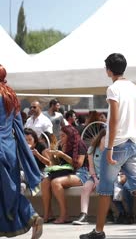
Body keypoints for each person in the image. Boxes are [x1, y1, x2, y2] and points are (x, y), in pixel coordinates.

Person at [80, 53, 136, 239]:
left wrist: (109, 147)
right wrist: (133, 135)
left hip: (117, 145)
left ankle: (99, 232)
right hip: (133, 143)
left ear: (108, 69)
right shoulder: (134, 88)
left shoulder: (113, 88)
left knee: (104, 189)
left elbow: (114, 118)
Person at [0, 64, 43, 239]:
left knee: (5, 192)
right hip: (9, 150)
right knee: (8, 191)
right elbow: (18, 127)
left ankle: (31, 217)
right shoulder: (11, 96)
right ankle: (32, 217)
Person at [41, 125, 89, 224]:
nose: (60, 138)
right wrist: (51, 156)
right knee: (45, 182)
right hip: (65, 172)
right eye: (60, 136)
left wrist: (63, 155)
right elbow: (56, 165)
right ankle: (47, 214)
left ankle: (64, 215)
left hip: (80, 173)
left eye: (63, 136)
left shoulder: (80, 144)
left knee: (56, 182)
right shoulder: (61, 145)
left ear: (70, 136)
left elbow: (79, 164)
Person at [73, 129, 106, 225]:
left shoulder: (111, 150)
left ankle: (108, 212)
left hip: (107, 176)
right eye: (105, 138)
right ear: (101, 137)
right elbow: (91, 167)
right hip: (95, 175)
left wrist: (101, 179)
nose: (107, 140)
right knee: (86, 188)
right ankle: (84, 215)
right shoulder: (92, 149)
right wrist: (95, 179)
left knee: (102, 188)